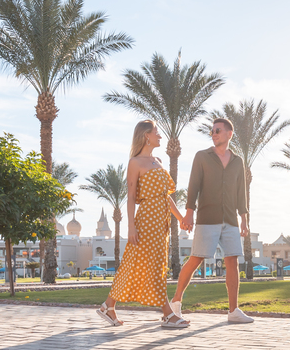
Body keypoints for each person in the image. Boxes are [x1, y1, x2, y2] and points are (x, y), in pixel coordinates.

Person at [96, 119, 190, 328]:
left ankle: (108, 306)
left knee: (137, 263)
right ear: (146, 135)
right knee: (153, 266)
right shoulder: (135, 163)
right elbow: (130, 197)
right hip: (146, 221)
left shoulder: (158, 161)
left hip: (161, 223)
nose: (160, 136)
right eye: (156, 132)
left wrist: (180, 218)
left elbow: (166, 196)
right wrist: (131, 226)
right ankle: (168, 314)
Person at [170, 118, 254, 324]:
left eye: (217, 130)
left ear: (229, 134)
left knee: (232, 260)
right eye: (212, 131)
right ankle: (176, 302)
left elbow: (241, 192)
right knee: (196, 259)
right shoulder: (202, 156)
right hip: (207, 218)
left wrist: (244, 219)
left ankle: (233, 311)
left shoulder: (238, 161)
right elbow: (194, 186)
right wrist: (189, 213)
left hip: (231, 219)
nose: (213, 134)